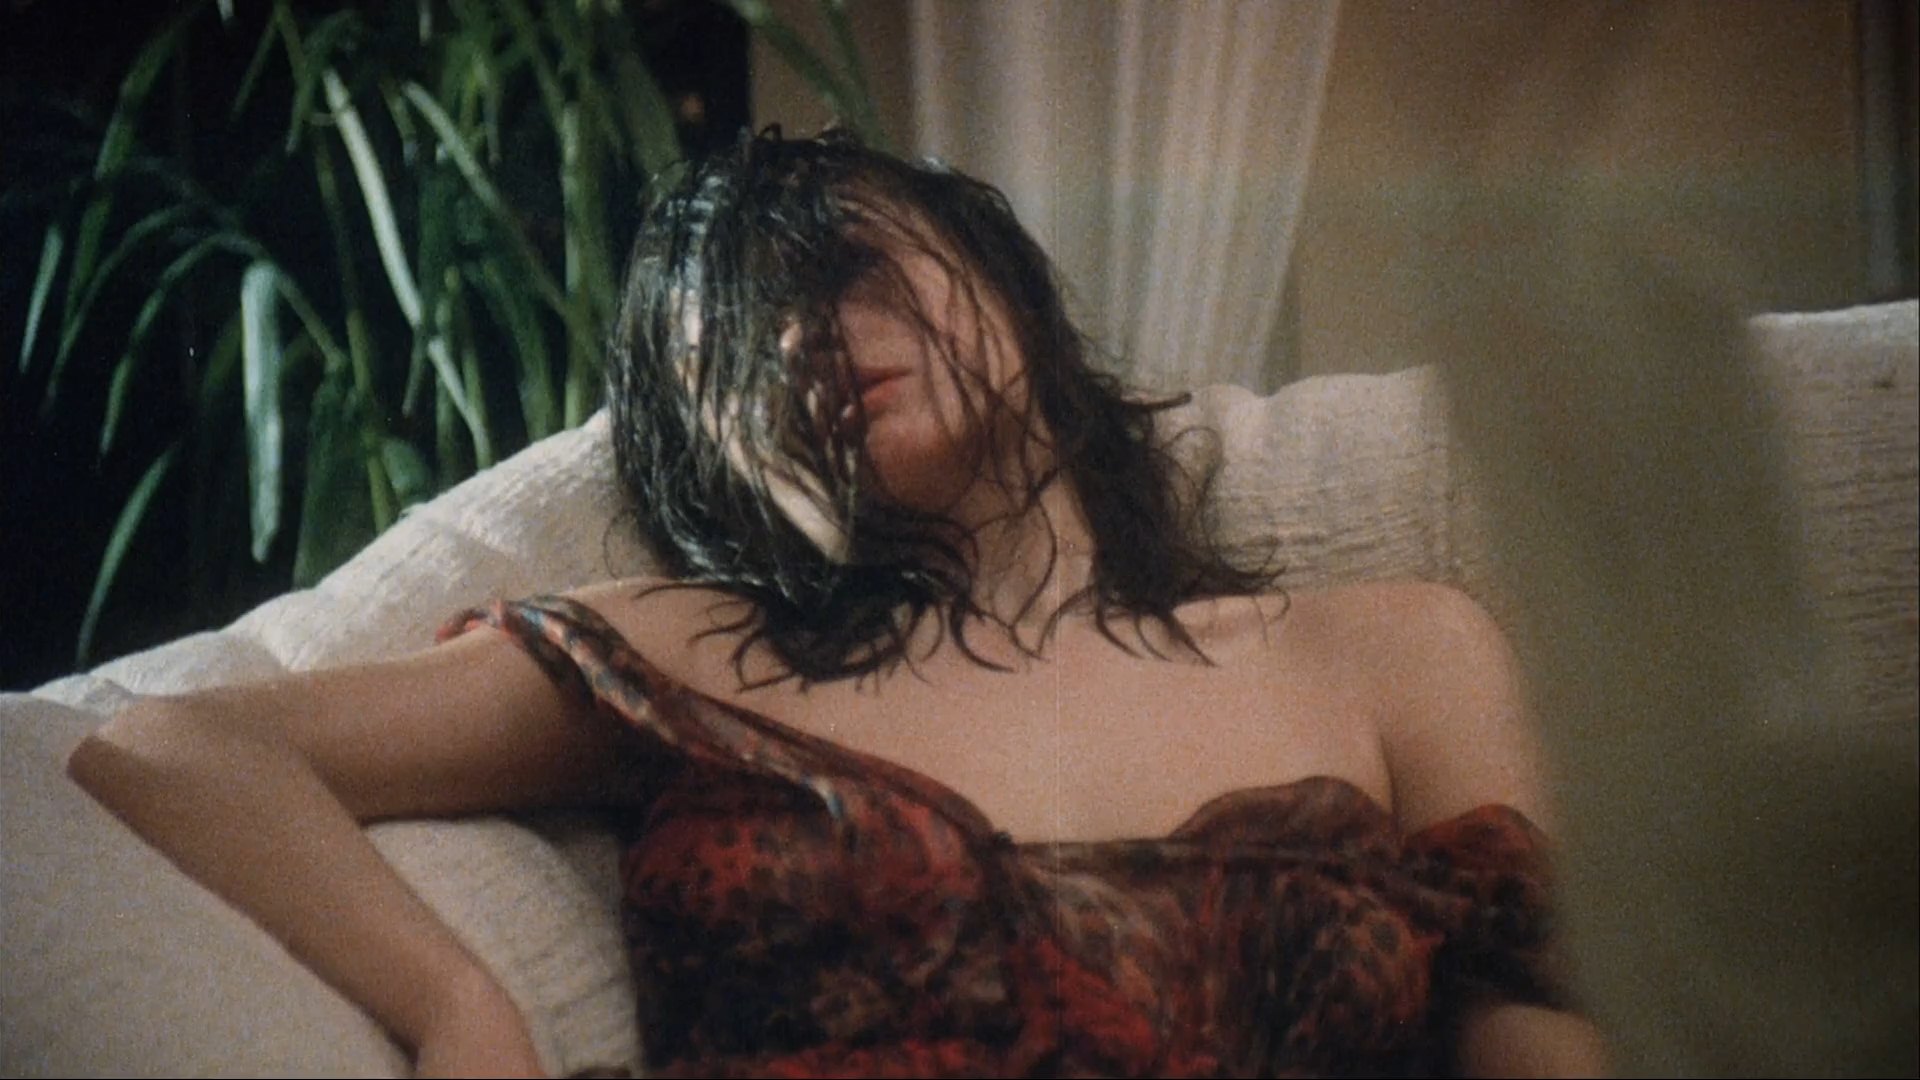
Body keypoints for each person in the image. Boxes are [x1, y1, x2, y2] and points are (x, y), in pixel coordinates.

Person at [68, 130, 1607, 1077]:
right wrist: (457, 1006)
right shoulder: (688, 648)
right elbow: (174, 746)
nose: (805, 339)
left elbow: (1548, 1036)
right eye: (740, 348)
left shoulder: (1394, 651)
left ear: (1004, 280)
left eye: (850, 269)